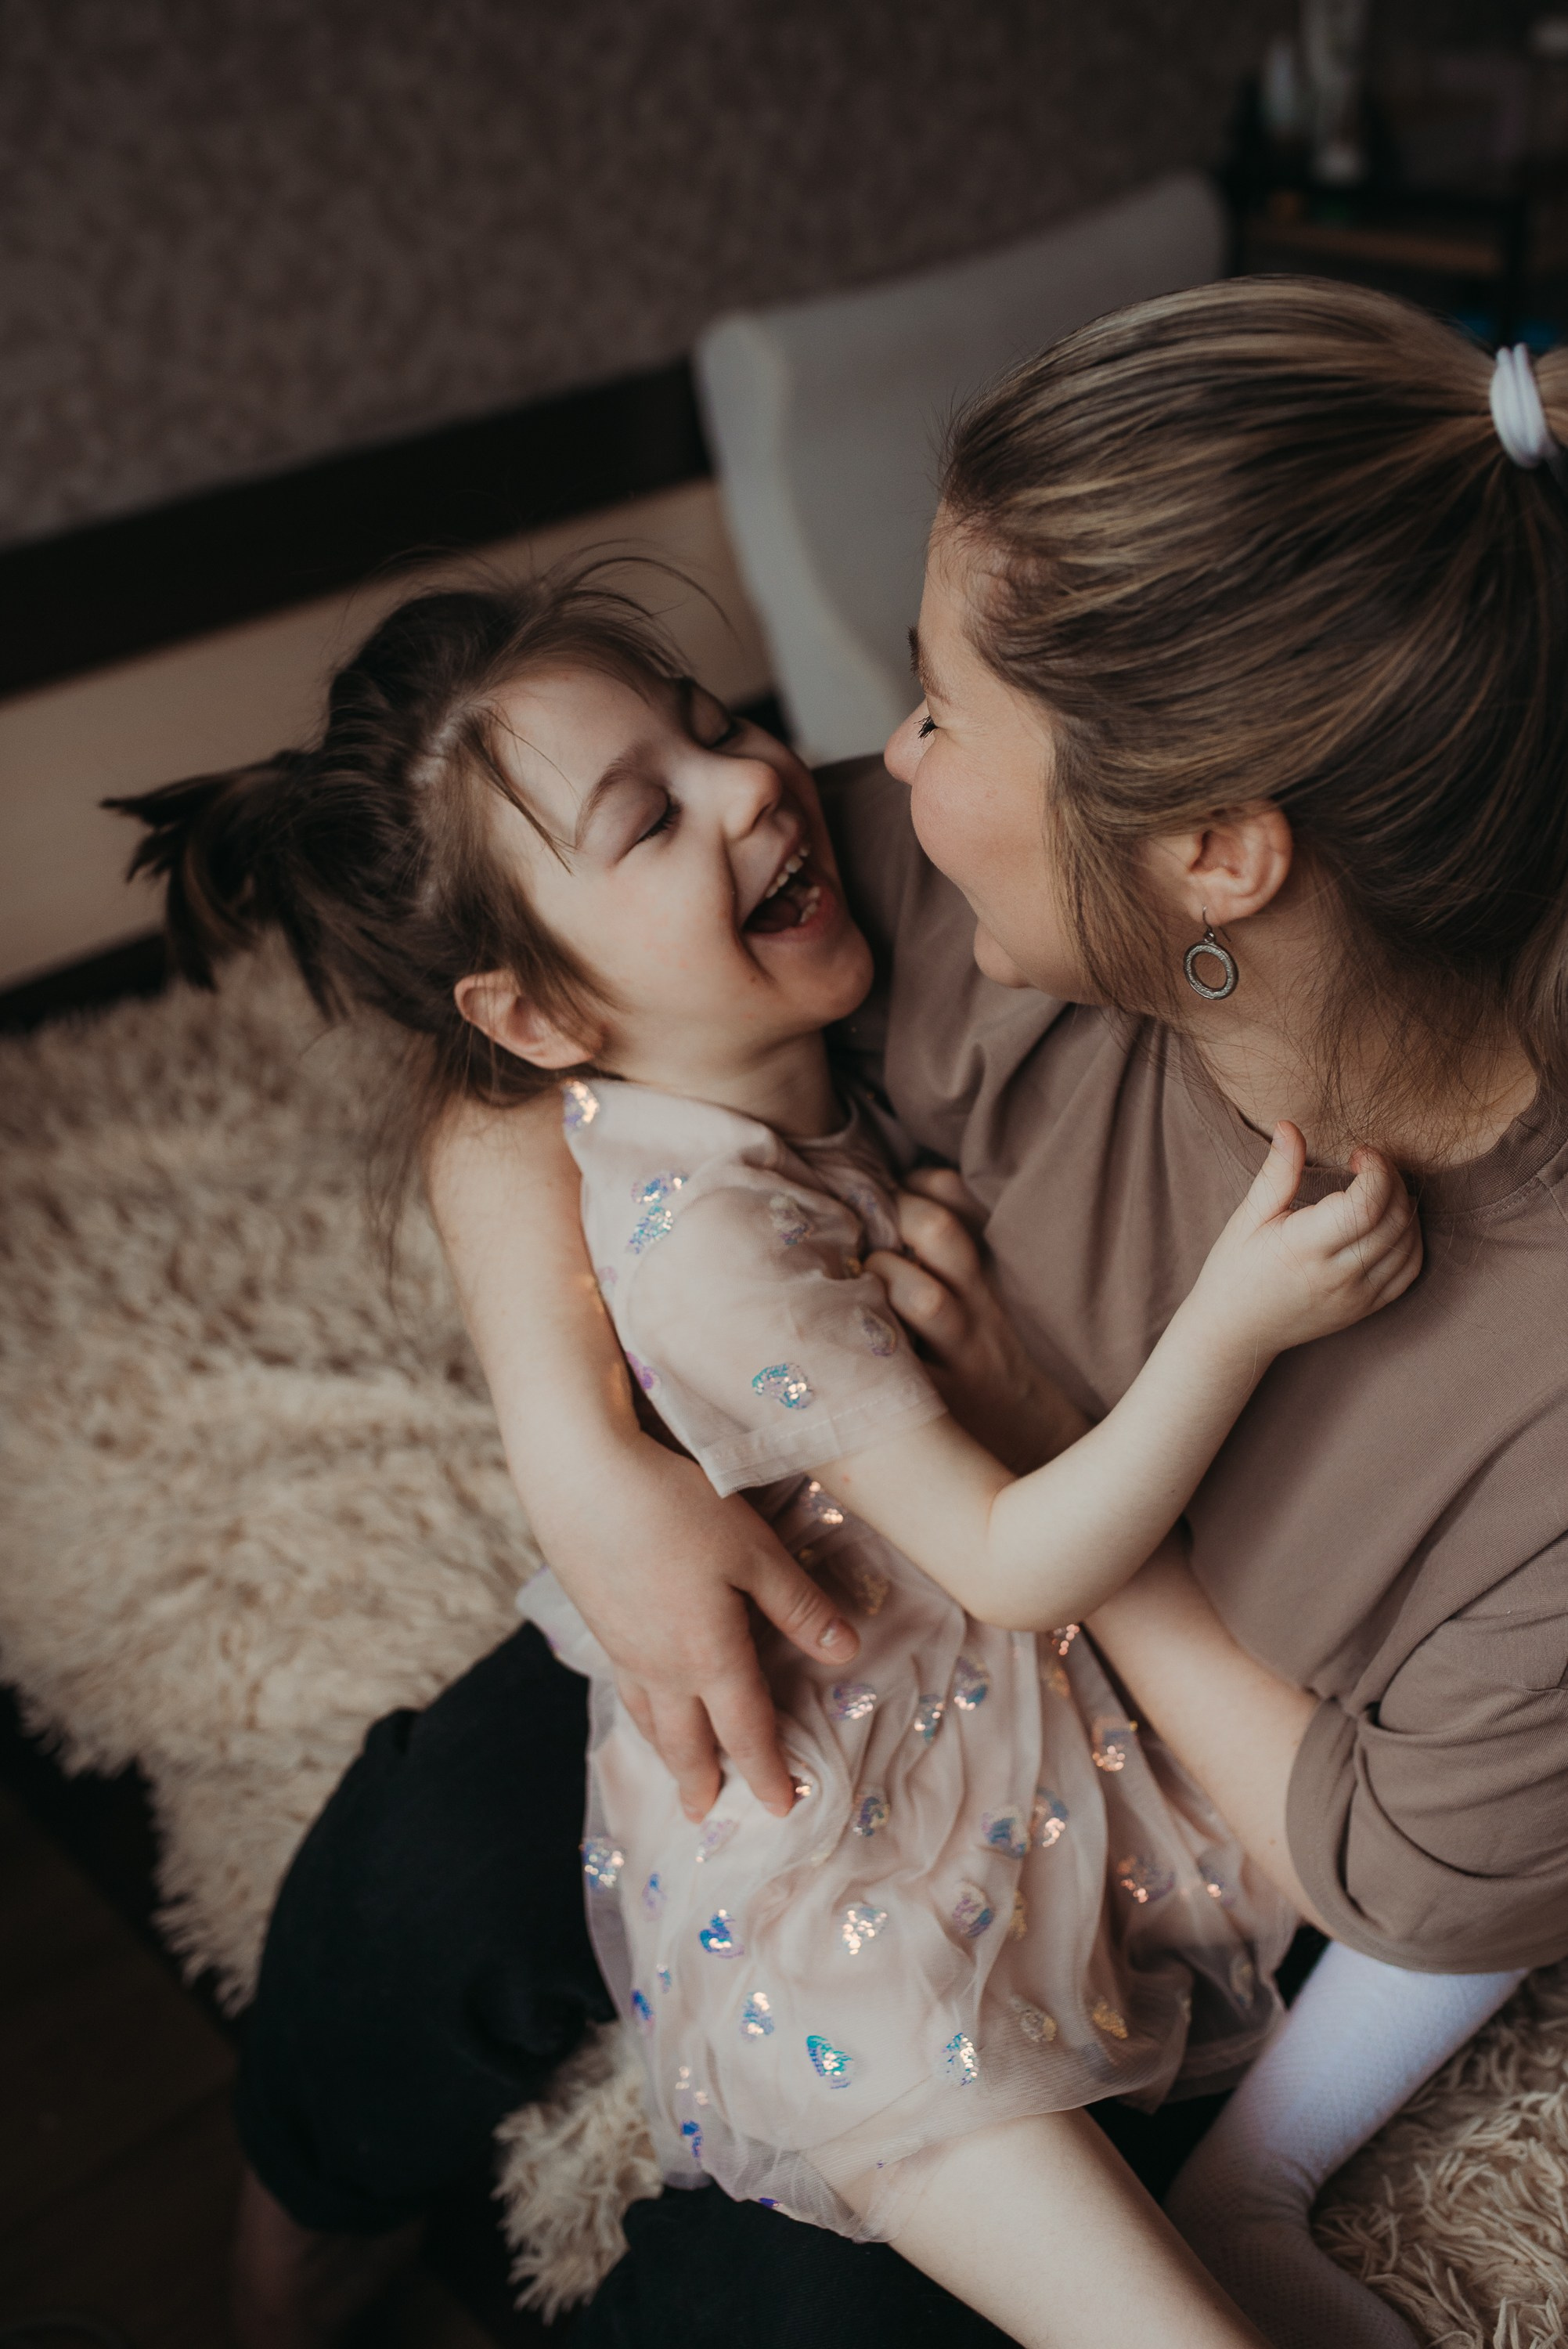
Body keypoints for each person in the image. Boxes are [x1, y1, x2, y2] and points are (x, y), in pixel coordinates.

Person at [117, 276, 1568, 2347]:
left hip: (1121, 1802)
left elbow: (1396, 1891)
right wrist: (582, 1448)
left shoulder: (1531, 1388)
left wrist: (1064, 1459)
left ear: (1217, 860)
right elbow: (540, 1063)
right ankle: (286, 2271)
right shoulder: (981, 905)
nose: (867, 761)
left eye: (935, 710)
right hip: (869, 1632)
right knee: (410, 1885)